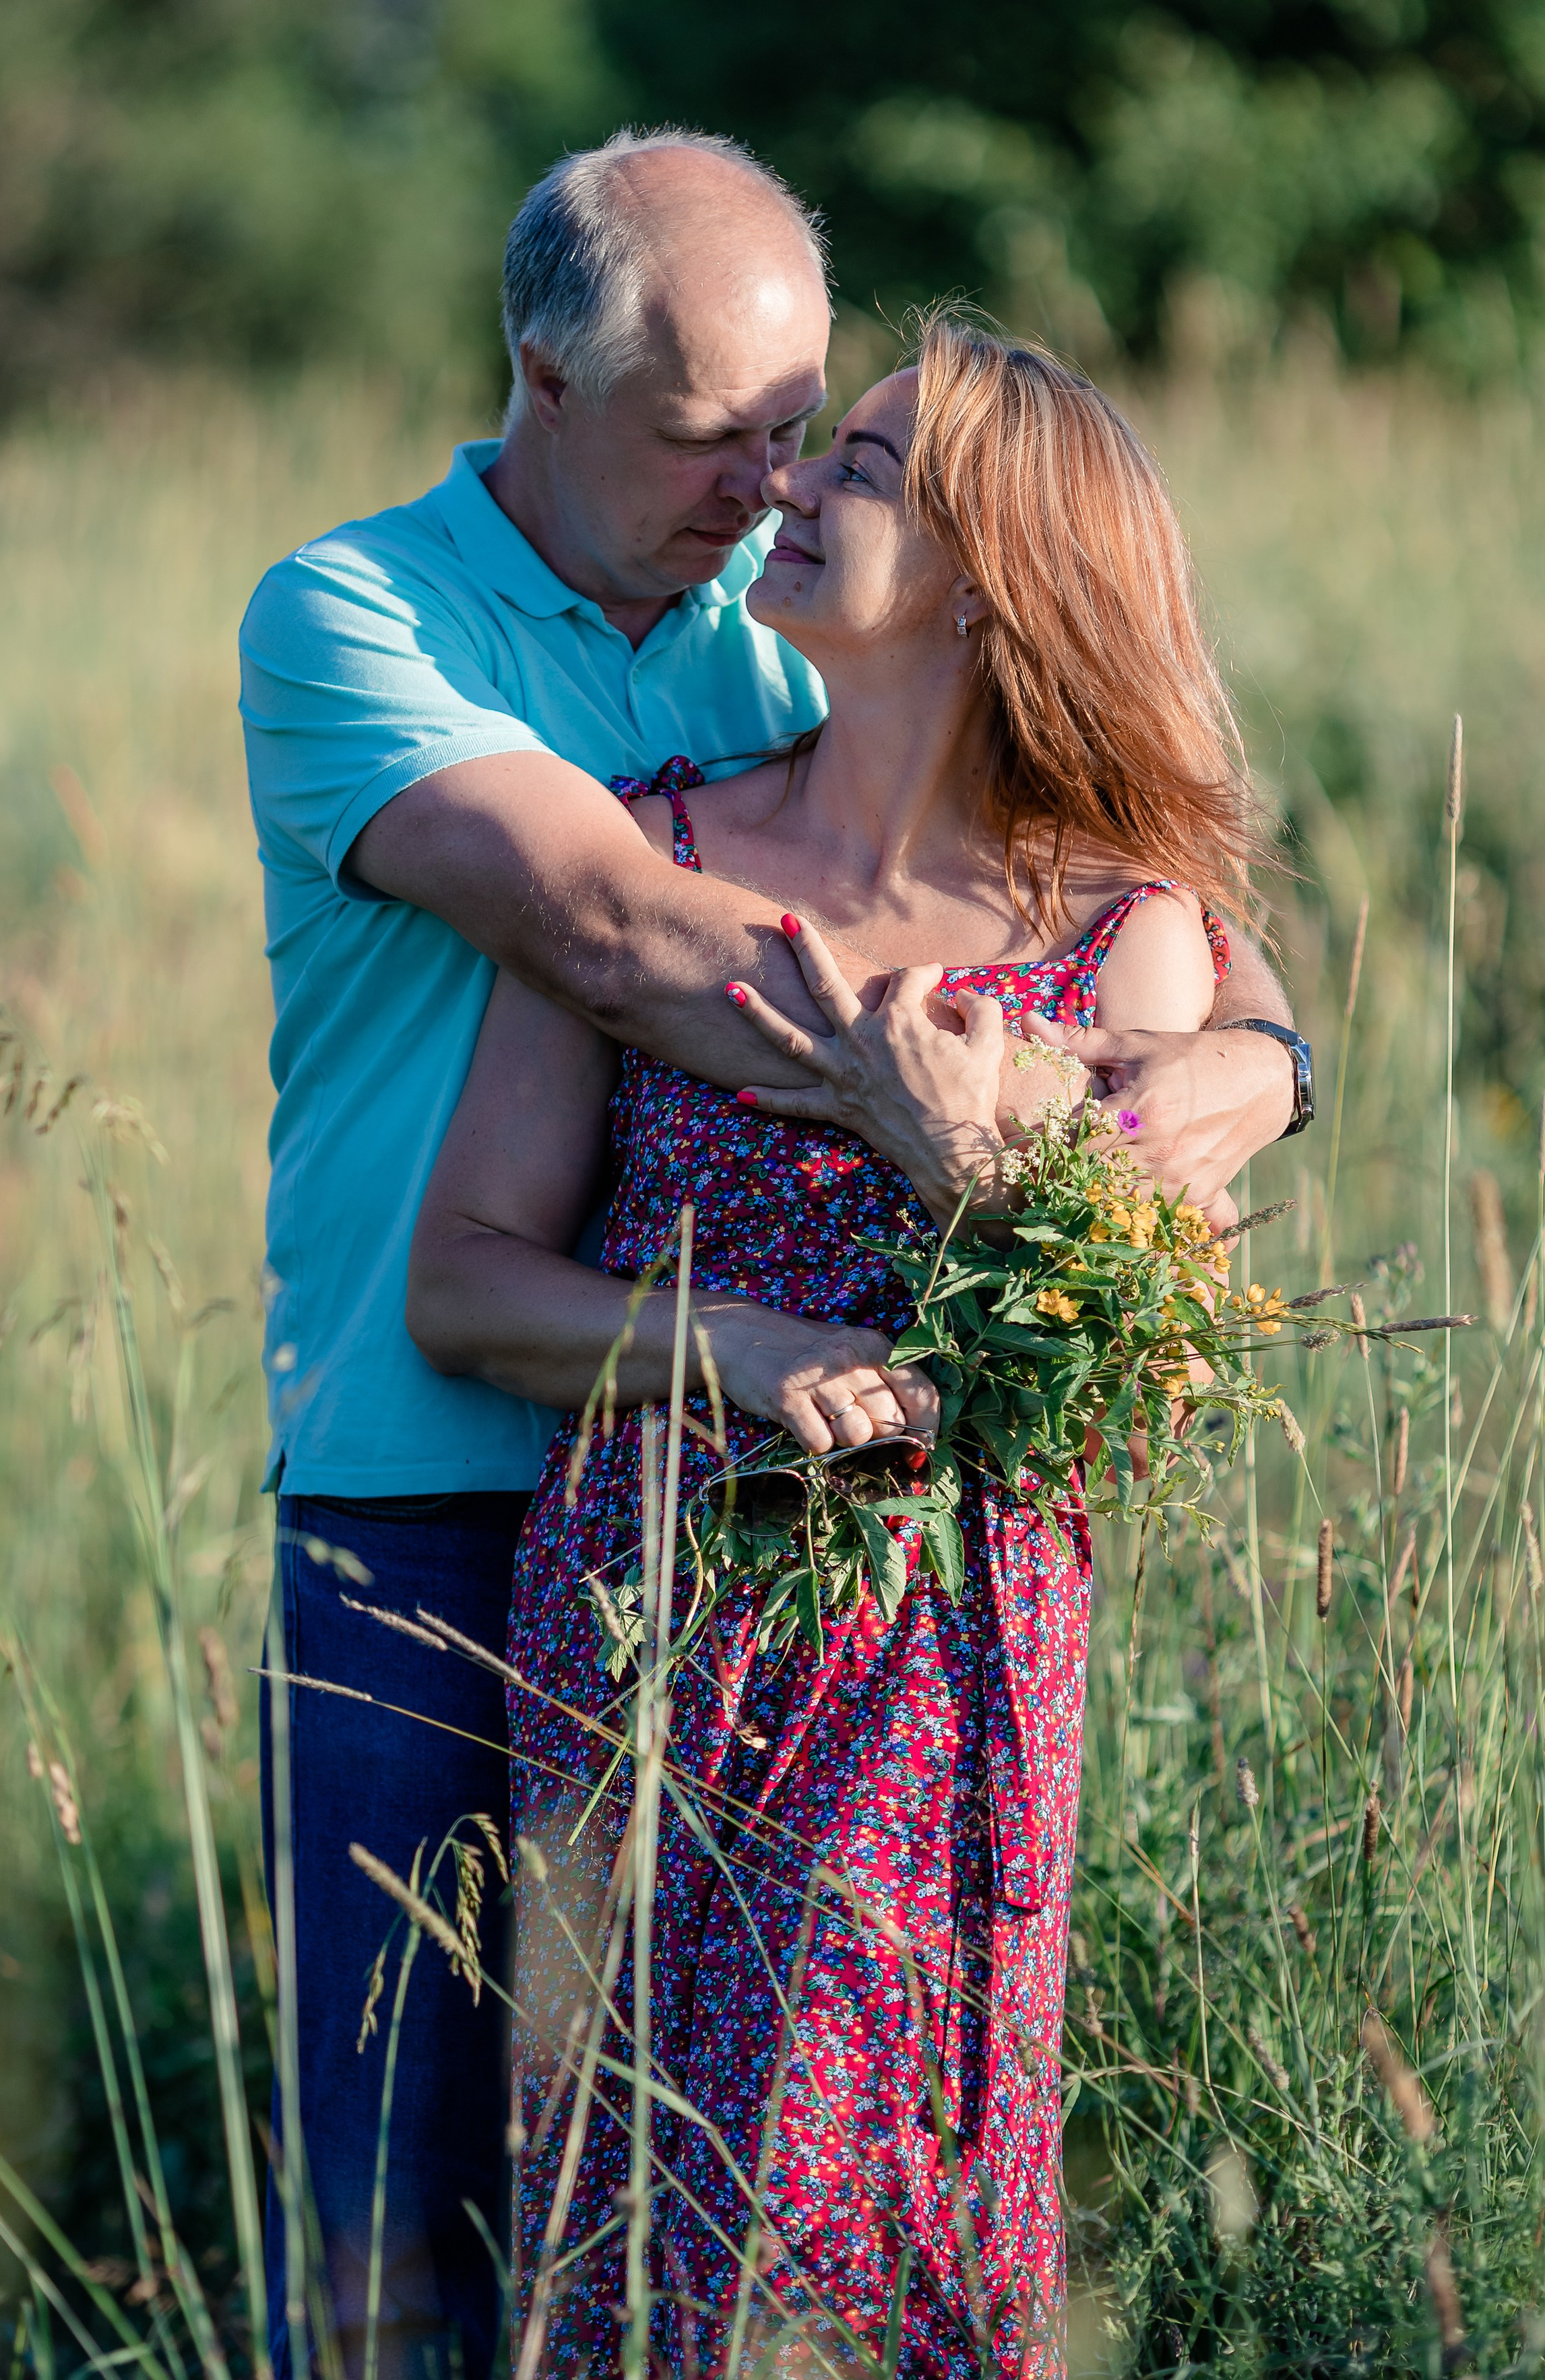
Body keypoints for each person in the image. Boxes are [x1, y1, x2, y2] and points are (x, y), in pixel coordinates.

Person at [239, 129, 1304, 2379]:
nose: (772, 481)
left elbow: (1137, 910)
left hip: (894, 1640)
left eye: (811, 432)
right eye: (715, 437)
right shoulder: (358, 618)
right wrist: (985, 1097)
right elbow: (617, 935)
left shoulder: (778, 634)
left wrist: (1253, 1056)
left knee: (855, 2232)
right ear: (543, 376)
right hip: (440, 1509)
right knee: (418, 2231)